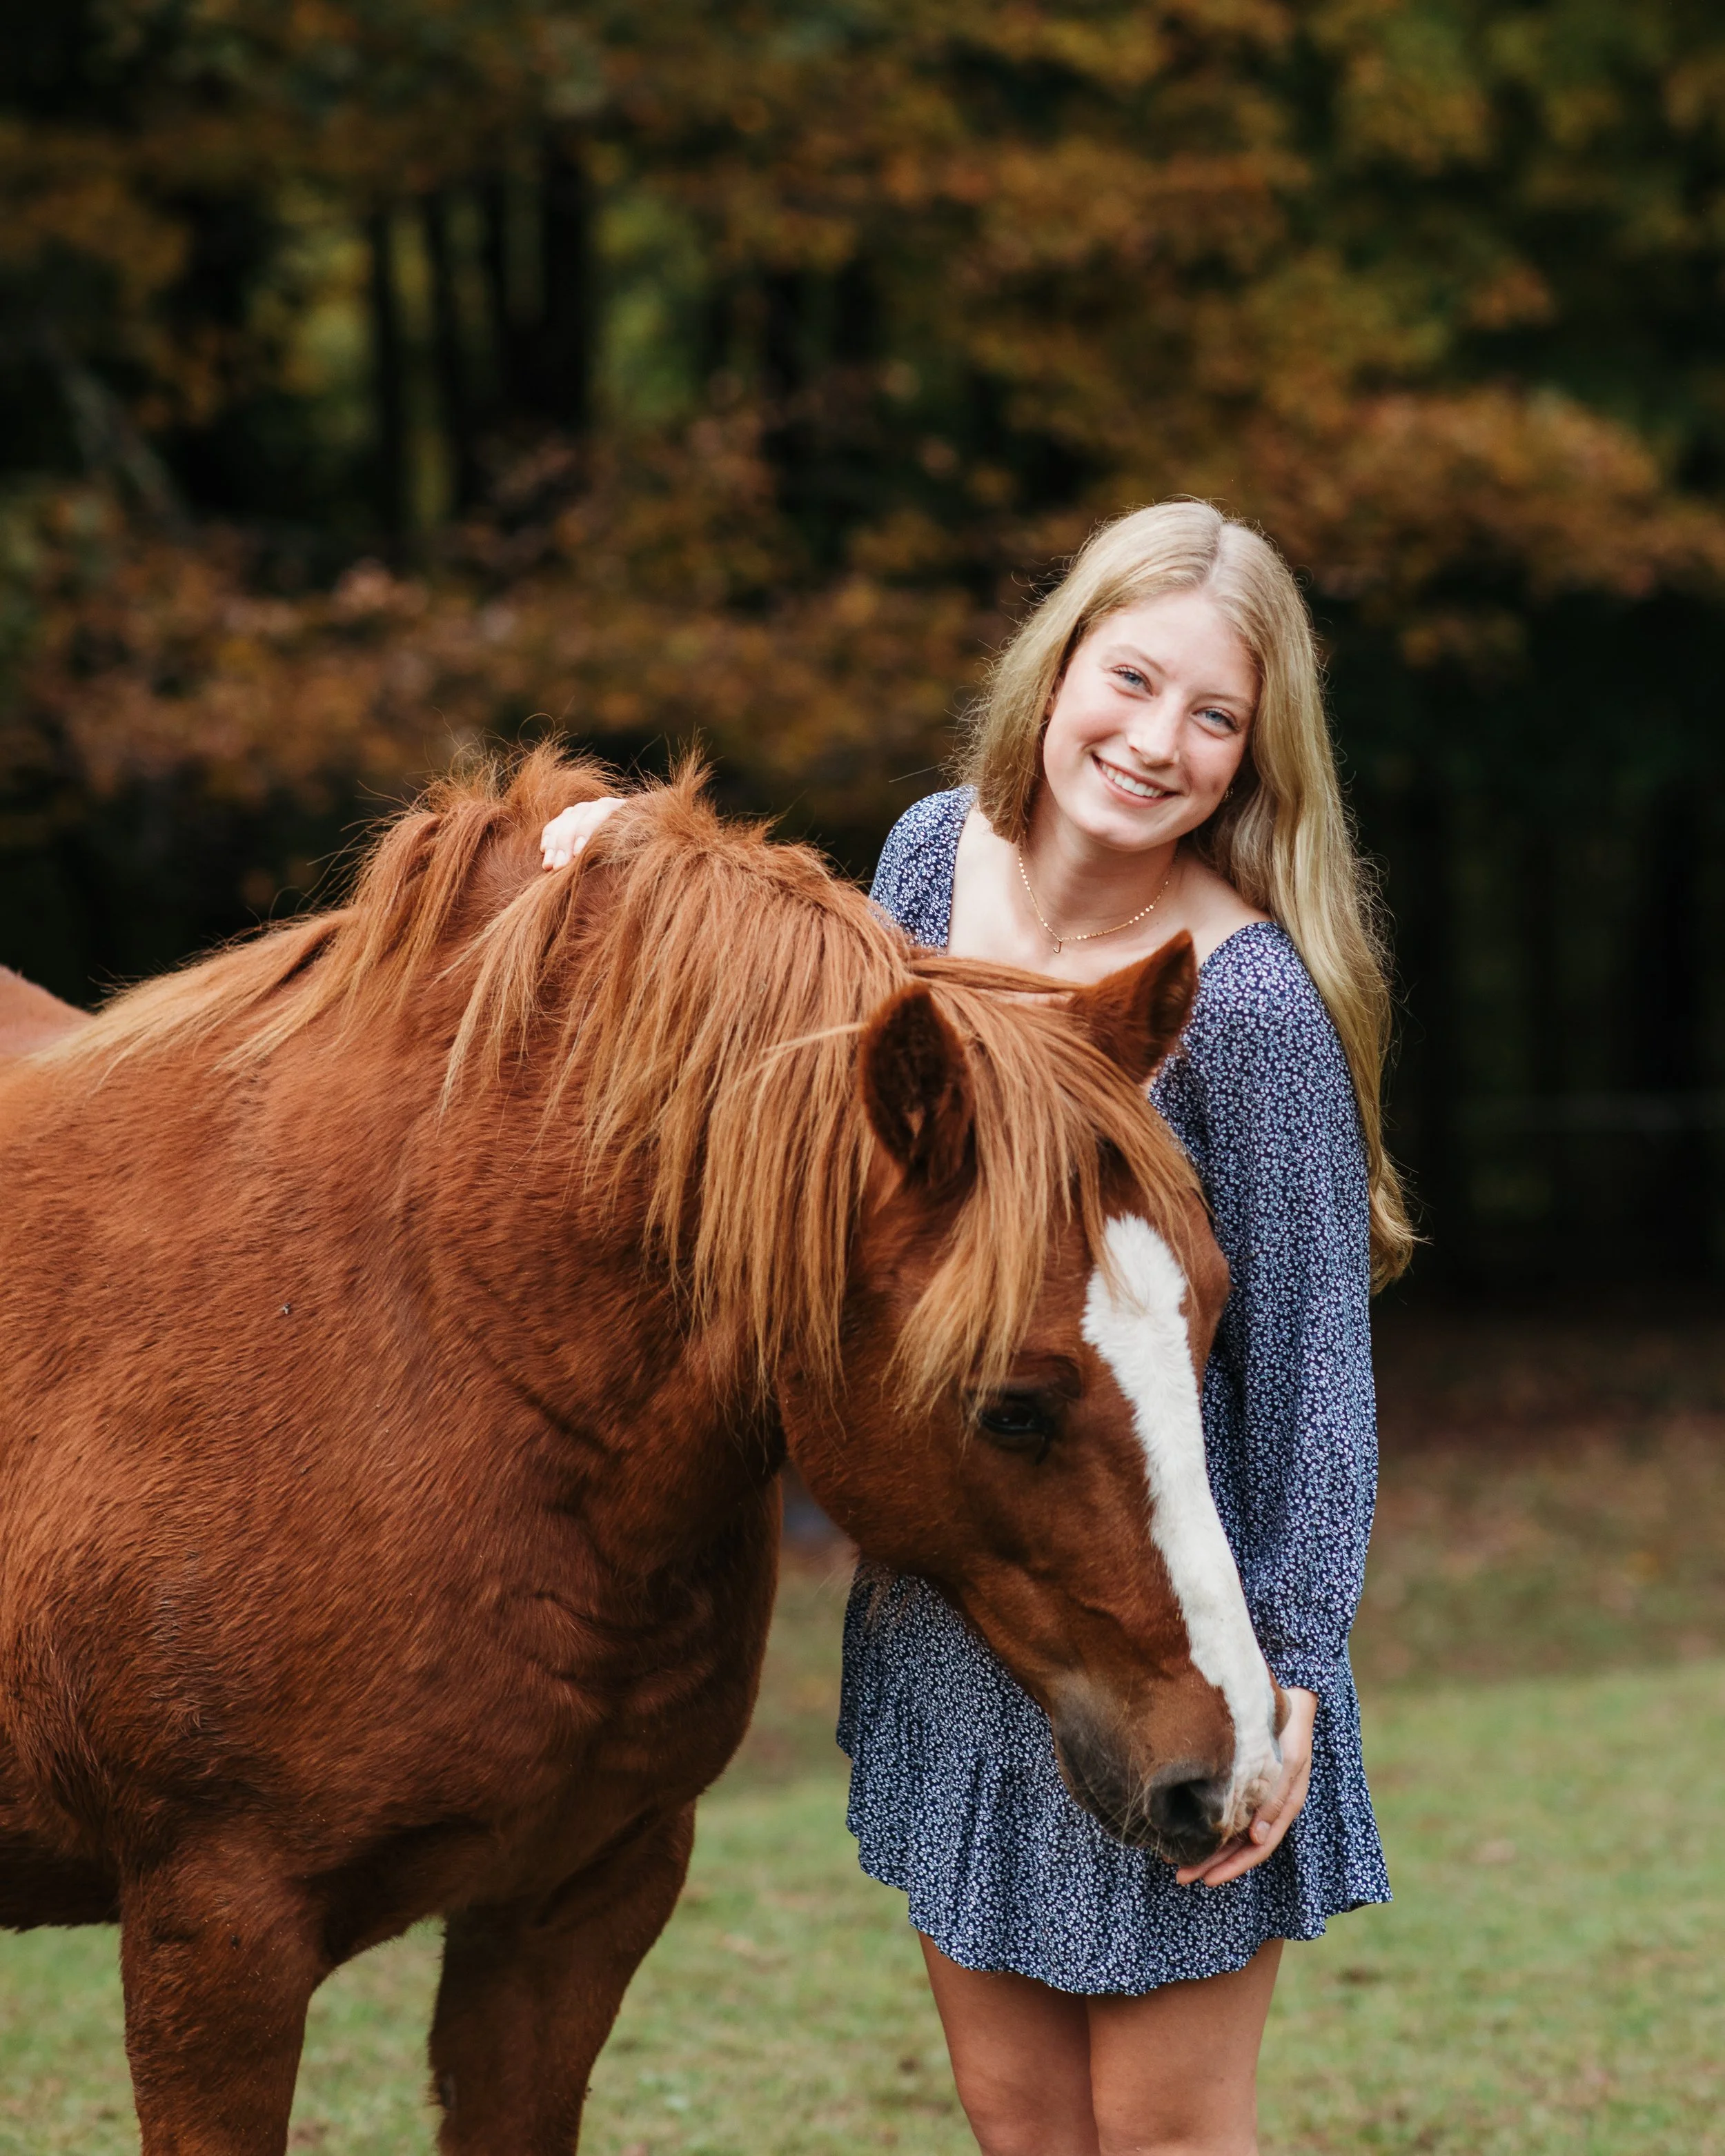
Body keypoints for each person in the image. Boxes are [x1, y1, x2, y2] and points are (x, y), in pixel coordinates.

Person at [540, 498, 1414, 2156]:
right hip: (968, 1612)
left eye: (1212, 715)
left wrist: (1282, 1673)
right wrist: (618, 849)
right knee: (1014, 2123)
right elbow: (793, 1073)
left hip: (1166, 1623)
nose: (1155, 741)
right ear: (1058, 663)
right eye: (1132, 678)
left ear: (1252, 755)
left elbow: (1314, 1374)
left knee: (1161, 2135)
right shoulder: (935, 852)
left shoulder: (1241, 1003)